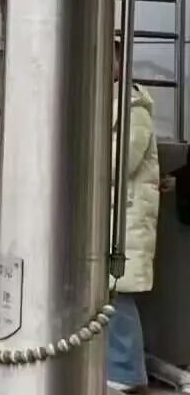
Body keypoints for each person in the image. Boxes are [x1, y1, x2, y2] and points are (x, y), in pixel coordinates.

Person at [108, 34, 161, 393]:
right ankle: (118, 372)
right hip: (116, 221)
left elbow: (118, 163)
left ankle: (127, 375)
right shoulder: (112, 104)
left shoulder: (134, 108)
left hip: (125, 223)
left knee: (119, 298)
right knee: (109, 297)